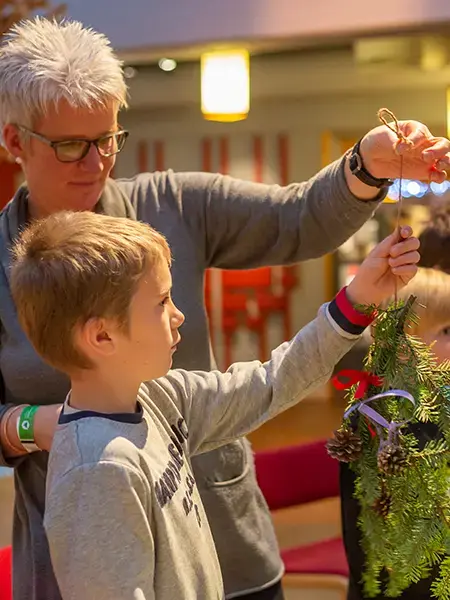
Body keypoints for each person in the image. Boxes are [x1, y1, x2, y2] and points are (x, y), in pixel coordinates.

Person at [0, 17, 448, 600]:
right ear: (15, 142)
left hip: (220, 549)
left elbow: (273, 370)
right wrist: (39, 427)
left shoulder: (169, 390)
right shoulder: (96, 468)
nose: (97, 162)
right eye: (70, 146)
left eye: (110, 139)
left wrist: (365, 169)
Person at [8, 210, 419, 600]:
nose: (179, 315)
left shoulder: (159, 396)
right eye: (162, 302)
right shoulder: (96, 472)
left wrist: (359, 298)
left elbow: (269, 383)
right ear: (101, 337)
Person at [341, 266, 450, 600]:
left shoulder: (440, 400)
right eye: (447, 330)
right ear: (405, 344)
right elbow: (370, 532)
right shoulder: (379, 422)